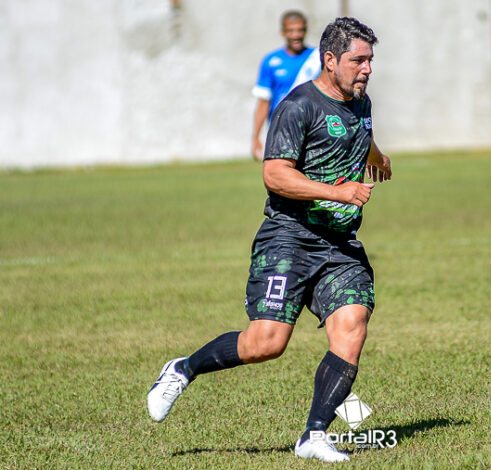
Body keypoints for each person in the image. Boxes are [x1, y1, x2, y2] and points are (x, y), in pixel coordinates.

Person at [147, 17, 392, 463]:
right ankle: (183, 368)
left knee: (352, 325)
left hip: (339, 245)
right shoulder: (297, 107)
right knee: (267, 343)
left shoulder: (361, 102)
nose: (367, 69)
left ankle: (314, 435)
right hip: (288, 239)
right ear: (330, 59)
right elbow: (275, 175)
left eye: (370, 60)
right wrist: (338, 192)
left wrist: (378, 156)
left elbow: (361, 133)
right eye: (358, 60)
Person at [251, 10, 320, 160]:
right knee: (280, 172)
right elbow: (263, 102)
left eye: (300, 30)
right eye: (291, 30)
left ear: (306, 30)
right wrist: (255, 137)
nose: (296, 35)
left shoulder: (318, 58)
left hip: (313, 128)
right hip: (281, 129)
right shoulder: (270, 61)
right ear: (282, 32)